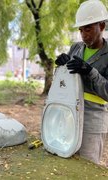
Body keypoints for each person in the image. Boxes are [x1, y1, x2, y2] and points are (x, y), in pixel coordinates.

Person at [55, 0, 108, 165]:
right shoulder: (76, 48)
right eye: (81, 30)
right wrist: (61, 67)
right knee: (67, 160)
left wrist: (90, 72)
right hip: (69, 113)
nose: (84, 35)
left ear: (102, 26)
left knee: (87, 166)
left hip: (93, 119)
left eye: (88, 29)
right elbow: (65, 81)